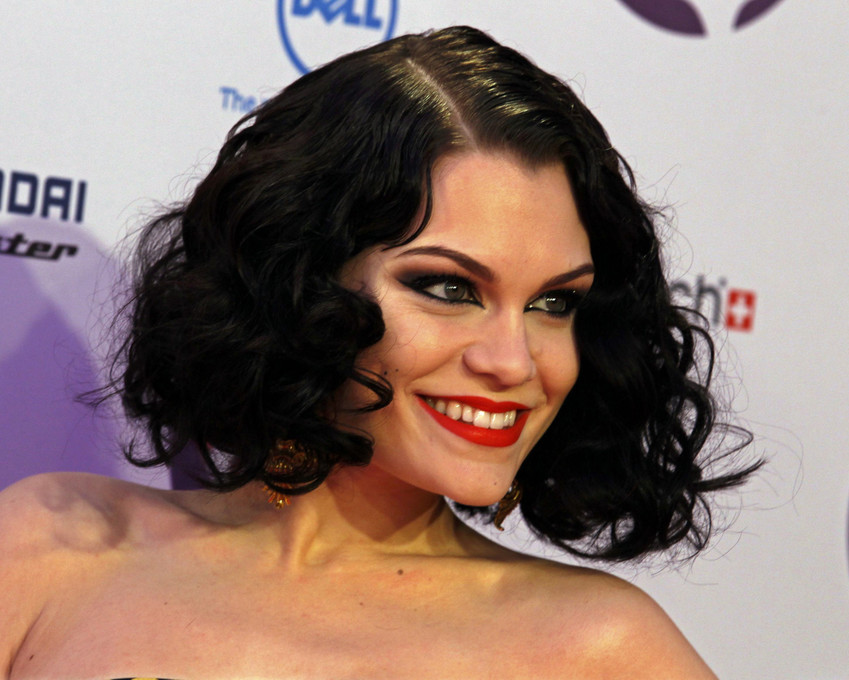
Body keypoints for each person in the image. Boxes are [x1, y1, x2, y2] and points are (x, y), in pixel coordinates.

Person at [0, 26, 755, 678]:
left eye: (554, 303)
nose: (514, 362)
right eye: (450, 288)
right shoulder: (48, 544)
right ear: (297, 279)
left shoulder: (600, 650)